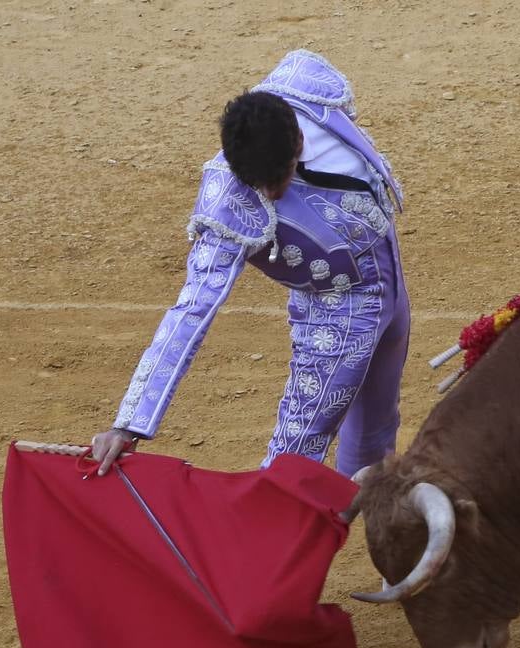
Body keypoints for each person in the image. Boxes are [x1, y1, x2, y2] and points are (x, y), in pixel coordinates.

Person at [90, 49, 410, 478]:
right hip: (337, 315)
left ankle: (375, 517)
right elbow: (192, 309)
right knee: (293, 456)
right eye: (257, 184)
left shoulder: (304, 90)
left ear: (299, 144)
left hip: (390, 281)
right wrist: (127, 423)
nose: (270, 194)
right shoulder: (227, 205)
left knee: (377, 428)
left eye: (277, 179)